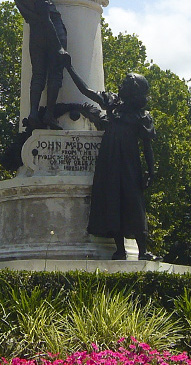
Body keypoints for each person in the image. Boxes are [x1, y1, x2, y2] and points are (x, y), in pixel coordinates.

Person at [65, 60, 158, 260]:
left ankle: (143, 251)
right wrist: (70, 67)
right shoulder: (112, 103)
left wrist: (151, 171)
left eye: (125, 83)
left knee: (134, 203)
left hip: (130, 163)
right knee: (112, 201)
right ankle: (120, 250)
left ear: (134, 91)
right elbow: (86, 90)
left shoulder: (142, 116)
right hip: (109, 160)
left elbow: (147, 146)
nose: (120, 85)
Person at [1, 0, 68, 130]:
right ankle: (48, 114)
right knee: (55, 74)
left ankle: (32, 114)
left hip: (35, 34)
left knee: (38, 75)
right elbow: (47, 21)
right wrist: (59, 49)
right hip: (52, 29)